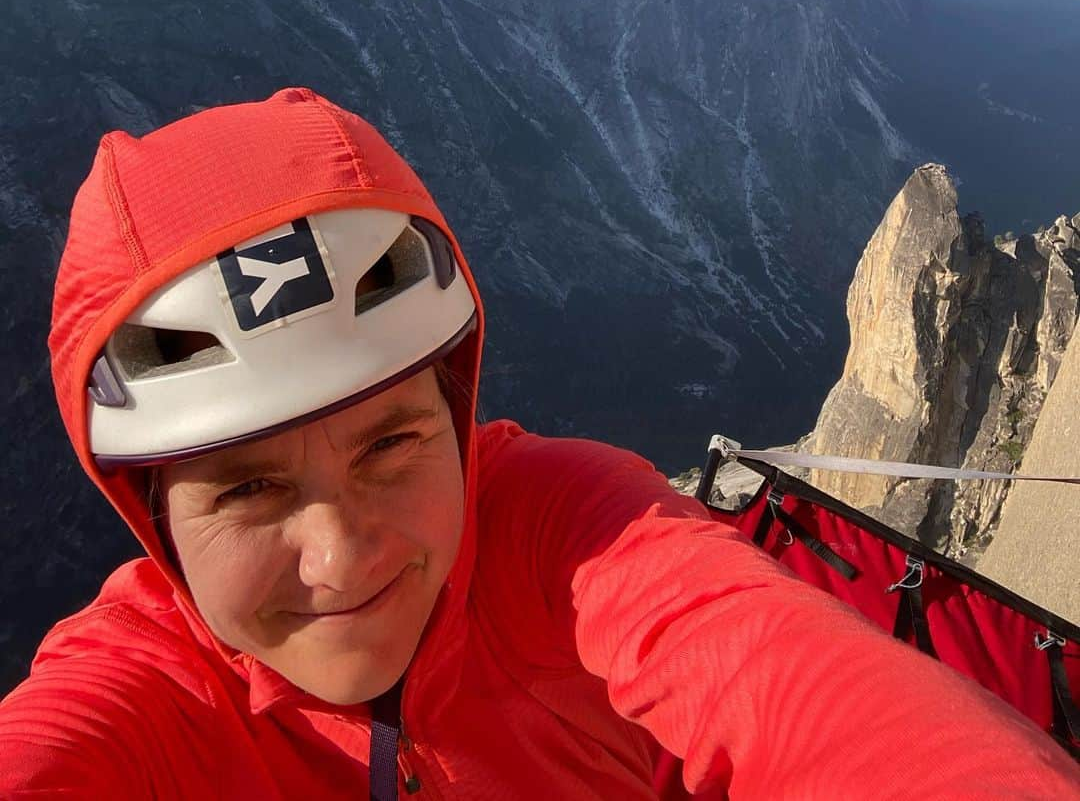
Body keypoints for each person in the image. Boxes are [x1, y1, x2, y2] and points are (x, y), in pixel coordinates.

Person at [1, 85, 1077, 800]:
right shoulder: (145, 691)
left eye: (391, 445)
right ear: (150, 513)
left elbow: (796, 686)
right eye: (246, 491)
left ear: (458, 416)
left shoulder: (570, 539)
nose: (340, 555)